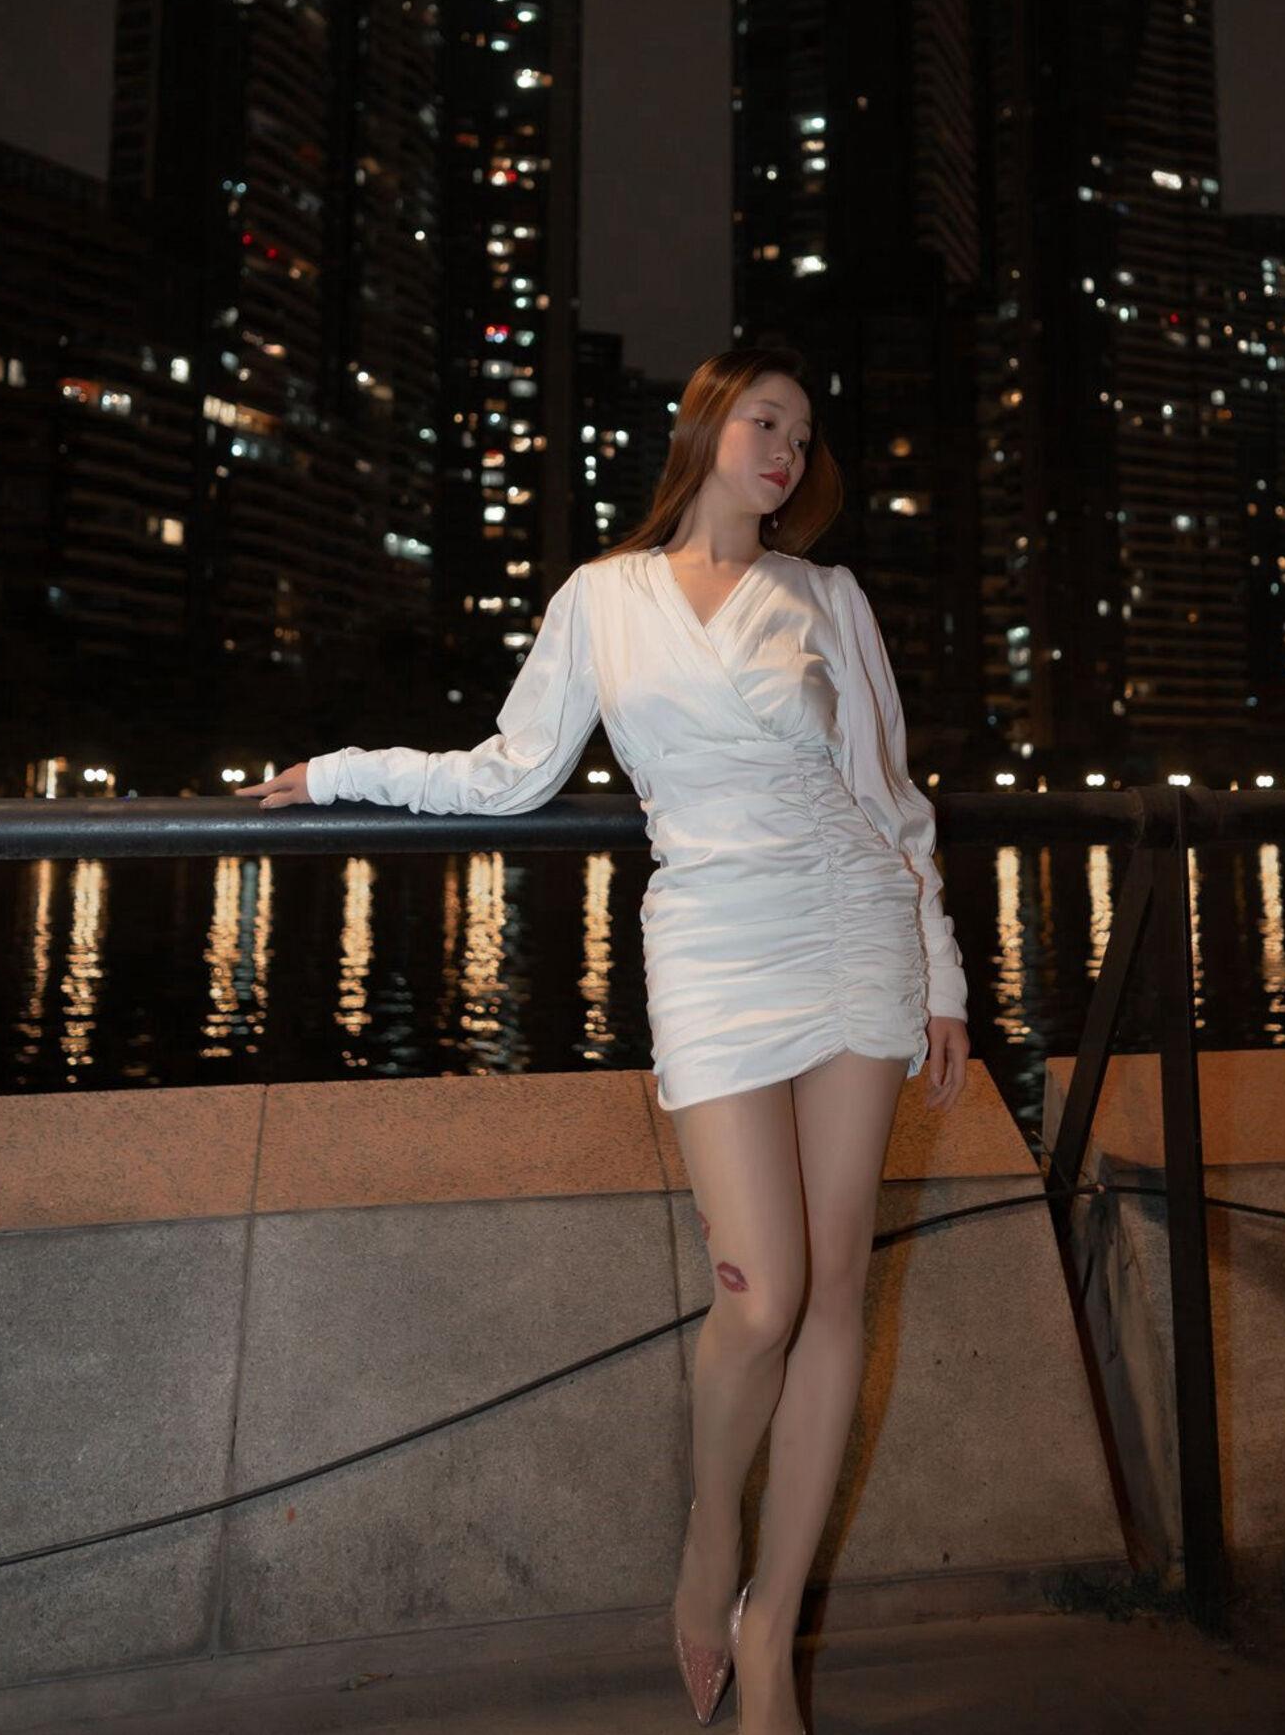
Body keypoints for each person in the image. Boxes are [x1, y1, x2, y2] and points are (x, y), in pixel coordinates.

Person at [241, 343, 969, 1734]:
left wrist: (940, 970)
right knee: (759, 1294)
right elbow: (510, 771)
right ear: (704, 428)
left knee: (833, 1298)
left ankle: (771, 1634)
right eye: (765, 422)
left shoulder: (828, 596)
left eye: (804, 435)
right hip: (713, 946)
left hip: (853, 934)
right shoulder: (603, 597)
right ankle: (709, 1547)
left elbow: (890, 796)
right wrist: (338, 770)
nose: (787, 452)